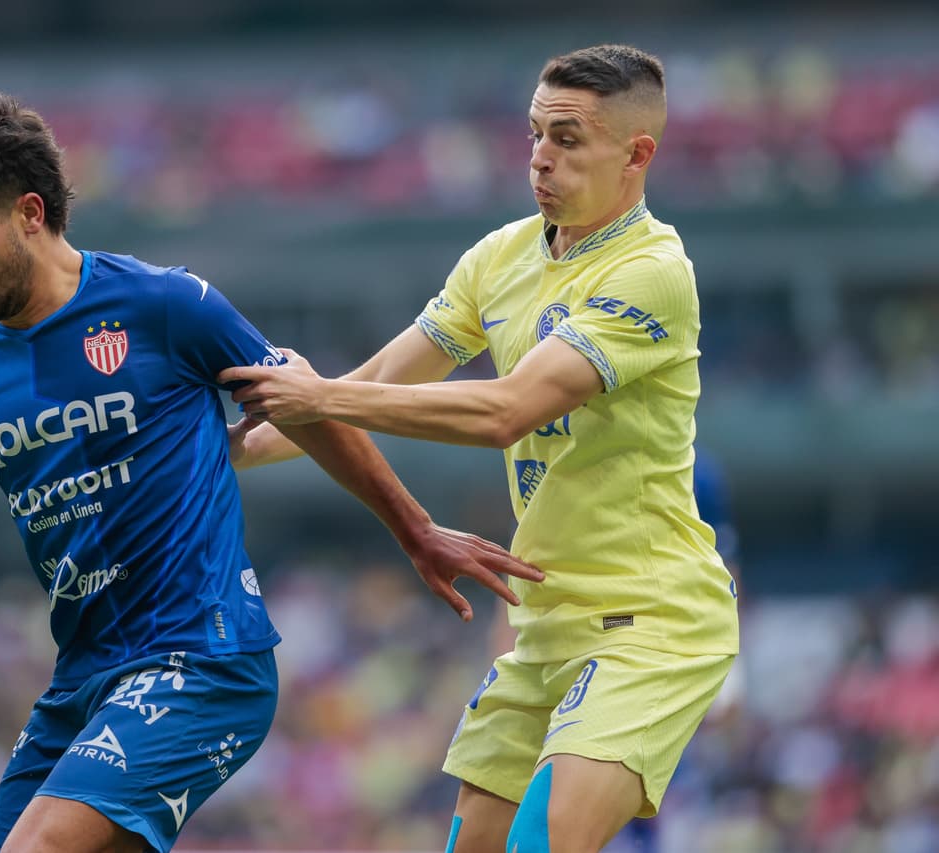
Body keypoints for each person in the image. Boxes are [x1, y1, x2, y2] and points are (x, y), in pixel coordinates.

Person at [0, 94, 542, 853]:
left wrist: (415, 529)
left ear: (30, 213)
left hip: (203, 658)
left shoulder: (166, 305)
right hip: (83, 677)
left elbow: (304, 410)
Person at [221, 45, 740, 853]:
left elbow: (506, 410)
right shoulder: (499, 257)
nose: (539, 157)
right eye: (535, 134)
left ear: (637, 155)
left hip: (651, 623)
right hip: (541, 624)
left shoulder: (653, 272)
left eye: (567, 139)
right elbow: (381, 379)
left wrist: (318, 395)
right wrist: (230, 450)